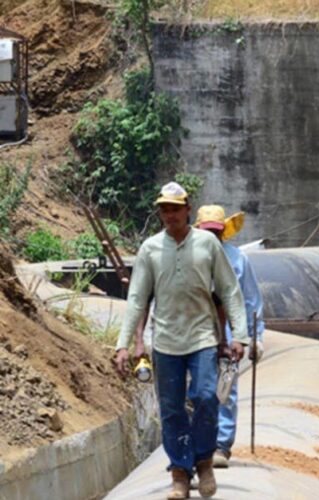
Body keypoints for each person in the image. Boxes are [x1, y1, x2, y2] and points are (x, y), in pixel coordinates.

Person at [114, 182, 249, 500]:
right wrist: (124, 344)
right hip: (166, 342)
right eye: (164, 209)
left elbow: (229, 289)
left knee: (205, 397)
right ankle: (179, 473)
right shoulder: (150, 249)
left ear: (188, 209)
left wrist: (240, 335)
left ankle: (203, 461)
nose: (169, 215)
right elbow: (137, 298)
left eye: (175, 208)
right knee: (172, 409)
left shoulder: (207, 244)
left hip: (202, 337)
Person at [193, 205, 265, 469]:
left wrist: (253, 337)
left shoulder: (237, 260)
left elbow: (250, 301)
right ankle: (201, 444)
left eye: (216, 232)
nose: (212, 237)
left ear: (223, 231)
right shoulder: (188, 257)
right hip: (195, 335)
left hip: (228, 336)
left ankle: (222, 445)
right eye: (206, 232)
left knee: (225, 389)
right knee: (199, 392)